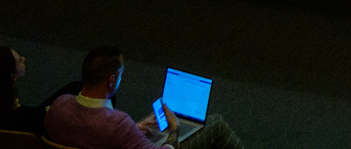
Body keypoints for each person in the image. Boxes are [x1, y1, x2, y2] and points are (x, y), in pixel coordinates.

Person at [45, 46, 245, 149]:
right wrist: (175, 129)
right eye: (121, 73)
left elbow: (92, 134)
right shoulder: (117, 123)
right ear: (111, 80)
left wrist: (133, 128)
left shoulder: (58, 106)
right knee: (216, 123)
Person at [0, 46, 77, 136]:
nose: (24, 59)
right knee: (76, 87)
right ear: (12, 77)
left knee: (74, 86)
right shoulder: (26, 117)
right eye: (19, 61)